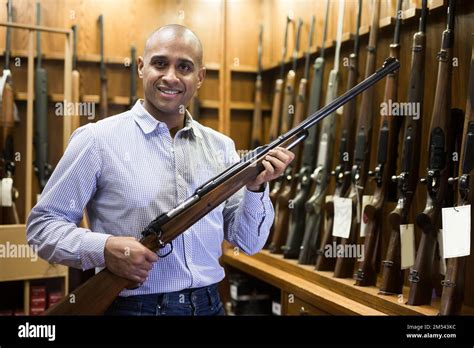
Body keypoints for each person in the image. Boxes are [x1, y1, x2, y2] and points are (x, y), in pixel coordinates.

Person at [26, 24, 294, 316]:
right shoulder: (97, 140)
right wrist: (103, 248)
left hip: (210, 306)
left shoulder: (222, 147)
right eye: (160, 63)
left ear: (200, 77)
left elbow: (248, 243)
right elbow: (43, 227)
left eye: (184, 67)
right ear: (141, 67)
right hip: (135, 308)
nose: (170, 76)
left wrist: (257, 188)